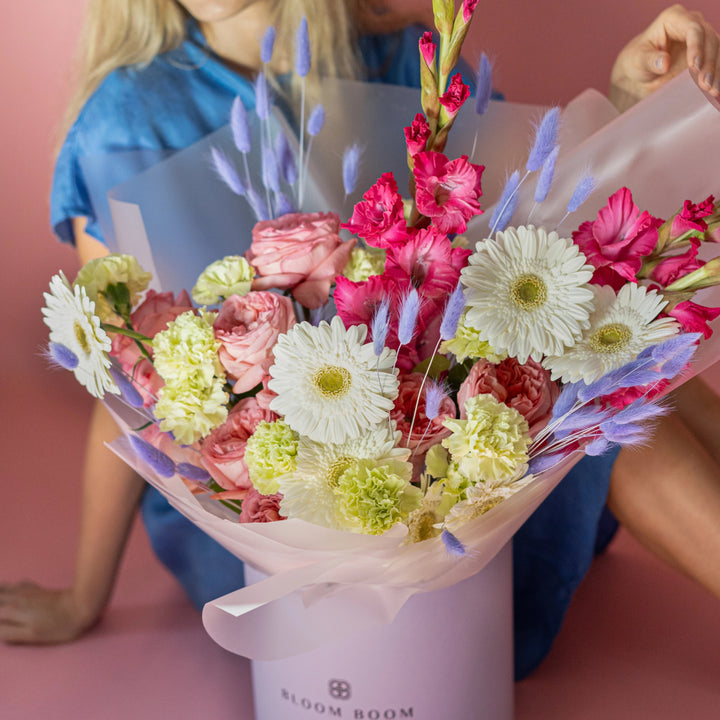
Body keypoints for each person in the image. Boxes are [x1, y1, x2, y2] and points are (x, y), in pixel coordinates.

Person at [1, 0, 719, 681]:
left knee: (614, 352)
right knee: (616, 407)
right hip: (272, 522)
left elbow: (522, 242)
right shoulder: (127, 121)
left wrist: (627, 101)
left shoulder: (406, 60)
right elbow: (135, 384)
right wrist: (81, 598)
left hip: (444, 470)